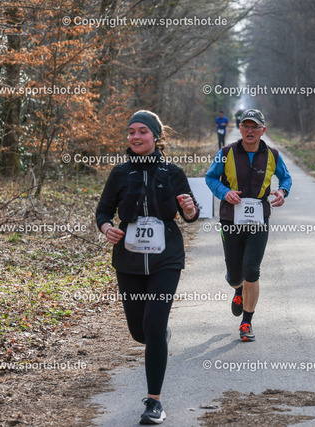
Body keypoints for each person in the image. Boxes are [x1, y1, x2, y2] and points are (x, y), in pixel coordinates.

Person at [96, 110, 199, 424]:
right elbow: (103, 212)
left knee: (153, 325)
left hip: (166, 257)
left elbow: (192, 214)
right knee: (140, 332)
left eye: (142, 131)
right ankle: (159, 335)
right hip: (128, 258)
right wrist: (107, 228)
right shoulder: (119, 172)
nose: (136, 137)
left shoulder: (172, 172)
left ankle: (154, 402)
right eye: (131, 132)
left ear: (155, 136)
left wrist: (190, 209)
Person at [205, 109, 292, 342]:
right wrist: (225, 192)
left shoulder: (272, 154)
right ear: (240, 128)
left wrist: (283, 191)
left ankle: (246, 322)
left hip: (259, 219)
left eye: (255, 127)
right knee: (235, 275)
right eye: (246, 126)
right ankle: (237, 289)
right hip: (230, 219)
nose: (250, 131)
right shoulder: (226, 153)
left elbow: (286, 177)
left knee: (252, 270)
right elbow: (210, 178)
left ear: (263, 130)